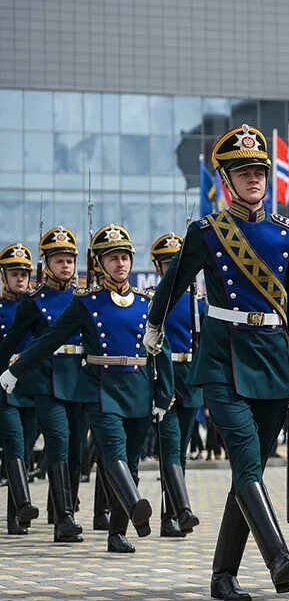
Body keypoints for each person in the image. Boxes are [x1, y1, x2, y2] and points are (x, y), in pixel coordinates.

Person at [145, 124, 289, 601]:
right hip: (223, 360)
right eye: (243, 172)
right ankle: (278, 555)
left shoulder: (288, 235)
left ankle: (223, 574)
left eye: (259, 170)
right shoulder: (208, 232)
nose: (254, 178)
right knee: (245, 457)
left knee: (250, 468)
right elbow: (172, 283)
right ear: (226, 180)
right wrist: (155, 325)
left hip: (274, 361)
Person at [3, 225, 172, 553]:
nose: (120, 264)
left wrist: (164, 393)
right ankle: (70, 515)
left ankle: (117, 531)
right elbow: (47, 340)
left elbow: (158, 347)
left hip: (131, 387)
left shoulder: (145, 302)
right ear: (99, 263)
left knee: (127, 458)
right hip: (86, 385)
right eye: (112, 258)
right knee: (87, 449)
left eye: (125, 257)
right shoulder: (84, 303)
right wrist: (12, 370)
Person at [0, 226, 89, 542]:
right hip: (45, 382)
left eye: (69, 260)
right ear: (47, 264)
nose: (65, 266)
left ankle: (63, 509)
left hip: (79, 382)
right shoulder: (34, 301)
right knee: (58, 442)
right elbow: (9, 345)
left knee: (77, 450)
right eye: (59, 260)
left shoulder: (84, 298)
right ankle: (63, 520)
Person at [150, 232, 205, 538]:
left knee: (181, 450)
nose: (174, 269)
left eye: (179, 264)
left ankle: (170, 513)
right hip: (165, 380)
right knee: (170, 449)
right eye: (168, 264)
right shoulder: (154, 298)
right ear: (159, 268)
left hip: (190, 380)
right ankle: (175, 514)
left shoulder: (198, 303)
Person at [0, 243, 40, 535]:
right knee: (14, 444)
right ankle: (19, 511)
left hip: (33, 384)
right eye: (14, 274)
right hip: (4, 387)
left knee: (25, 448)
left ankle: (17, 513)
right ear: (4, 276)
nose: (20, 279)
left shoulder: (37, 306)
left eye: (24, 274)